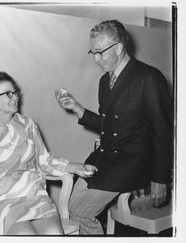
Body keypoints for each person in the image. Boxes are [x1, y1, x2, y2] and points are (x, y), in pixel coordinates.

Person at [56, 20, 173, 234]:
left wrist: (160, 179)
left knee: (78, 212)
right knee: (66, 209)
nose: (96, 59)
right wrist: (77, 109)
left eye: (100, 52)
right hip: (105, 159)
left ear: (118, 48)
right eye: (93, 53)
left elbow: (163, 133)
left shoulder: (149, 77)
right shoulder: (104, 82)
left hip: (132, 165)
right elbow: (107, 125)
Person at [0, 71, 97, 235]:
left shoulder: (28, 124)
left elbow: (44, 160)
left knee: (54, 233)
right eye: (8, 94)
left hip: (35, 195)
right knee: (26, 235)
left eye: (14, 92)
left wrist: (75, 167)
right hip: (3, 201)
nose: (15, 97)